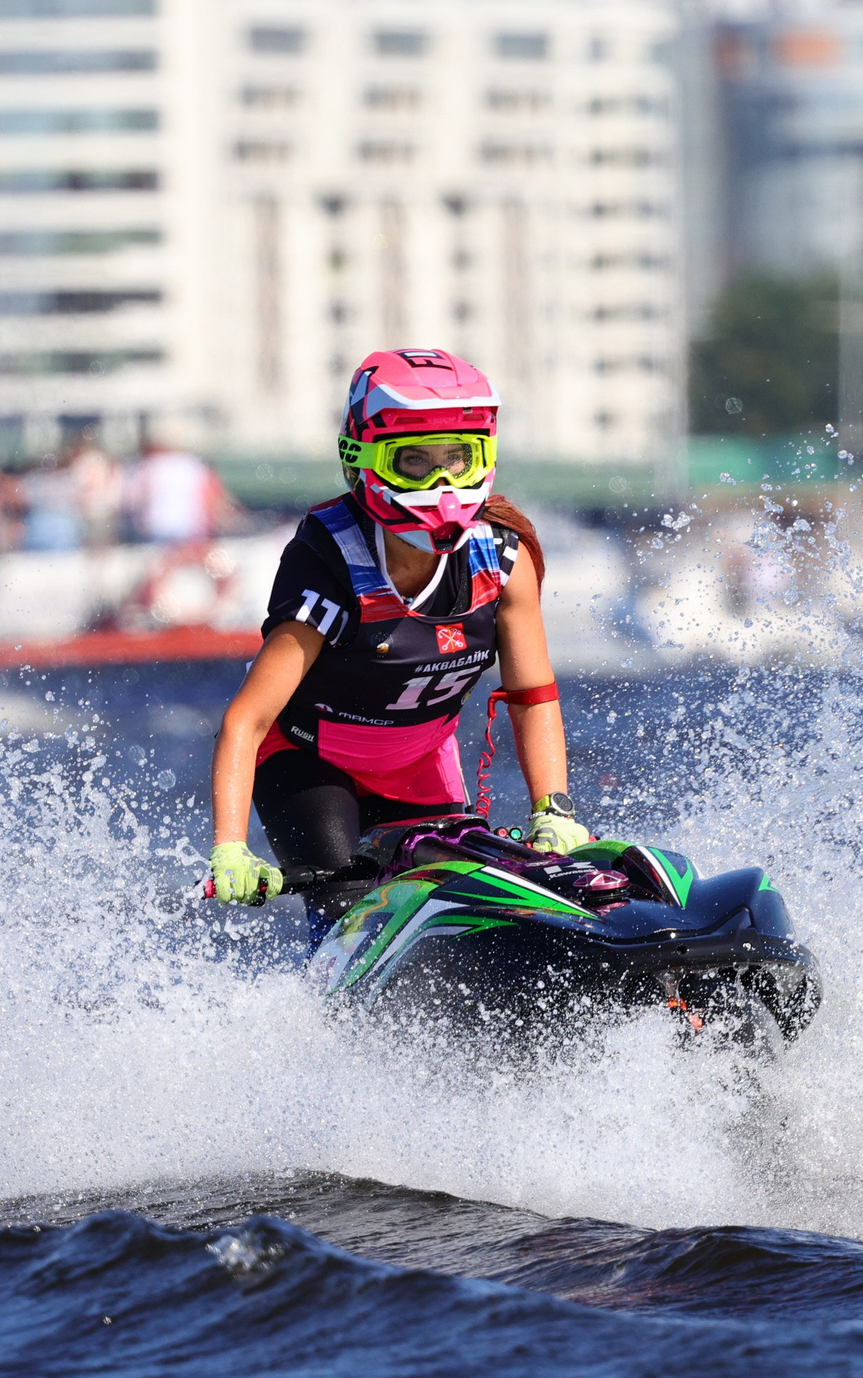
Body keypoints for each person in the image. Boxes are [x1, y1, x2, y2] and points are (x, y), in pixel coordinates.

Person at [207, 347, 588, 939]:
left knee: (462, 910)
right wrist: (229, 848)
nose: (441, 483)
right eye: (413, 462)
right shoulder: (326, 559)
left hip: (419, 762)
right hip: (310, 761)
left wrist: (553, 811)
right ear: (362, 460)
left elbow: (534, 696)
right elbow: (247, 719)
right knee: (353, 916)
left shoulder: (506, 558)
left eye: (459, 460)